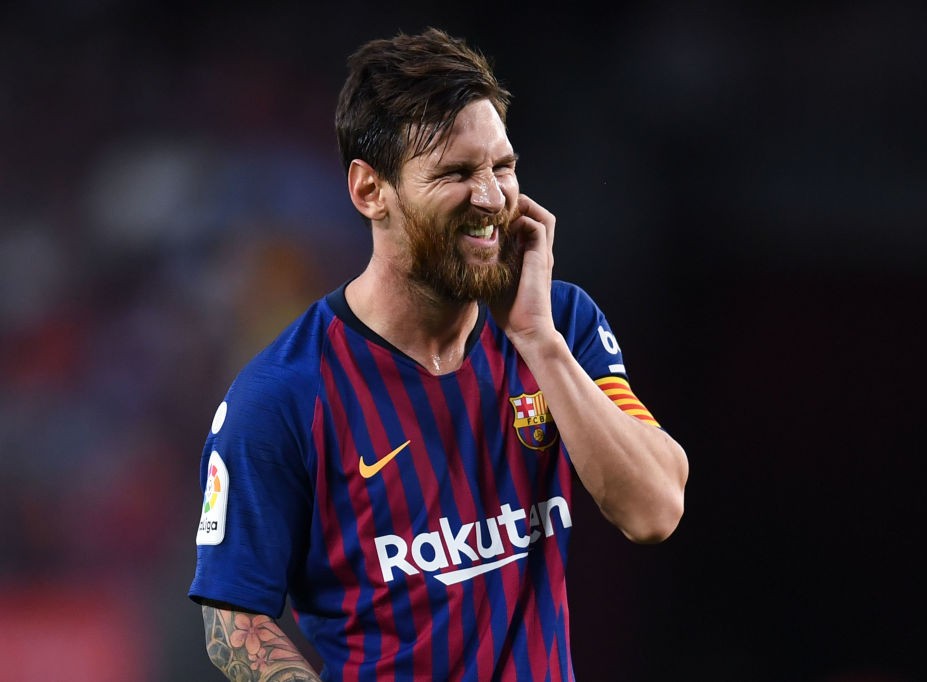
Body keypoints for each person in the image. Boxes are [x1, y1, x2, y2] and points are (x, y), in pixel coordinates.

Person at [188, 26, 688, 682]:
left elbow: (653, 511)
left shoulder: (562, 325)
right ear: (371, 191)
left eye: (501, 167)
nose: (490, 198)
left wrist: (539, 343)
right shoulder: (284, 395)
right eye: (456, 173)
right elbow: (234, 621)